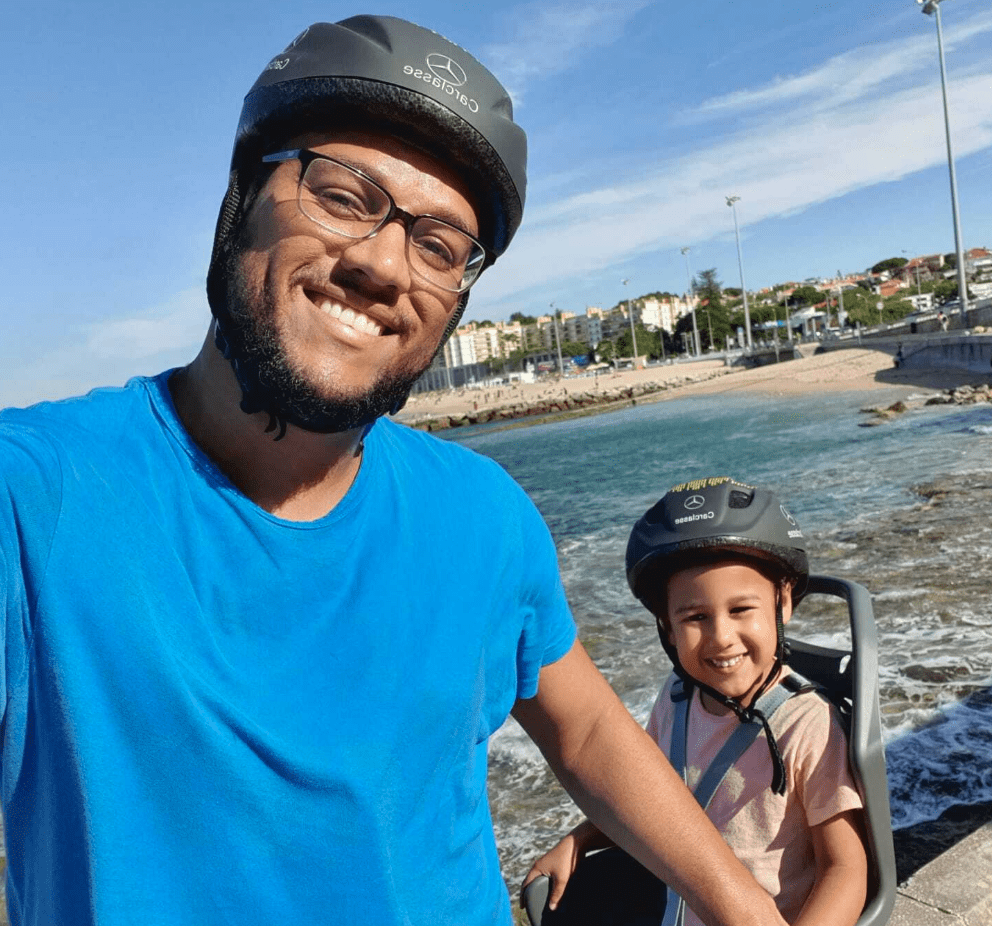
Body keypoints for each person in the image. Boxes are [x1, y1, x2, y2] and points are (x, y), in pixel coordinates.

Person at [0, 17, 787, 926]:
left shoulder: (481, 515)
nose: (381, 264)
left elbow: (589, 729)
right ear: (239, 200)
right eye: (341, 195)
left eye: (441, 247)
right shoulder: (36, 497)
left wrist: (743, 909)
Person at [525, 478, 868, 926]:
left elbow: (846, 868)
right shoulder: (676, 698)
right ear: (665, 626)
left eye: (741, 610)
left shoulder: (807, 725)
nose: (722, 637)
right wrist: (582, 839)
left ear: (783, 602)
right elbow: (649, 799)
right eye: (695, 617)